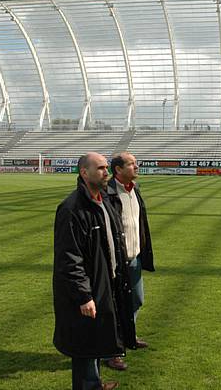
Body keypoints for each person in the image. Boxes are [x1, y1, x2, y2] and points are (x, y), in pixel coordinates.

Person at [53, 152, 137, 390]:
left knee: (97, 336)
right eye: (100, 168)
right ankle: (88, 385)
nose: (106, 172)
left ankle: (95, 383)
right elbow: (69, 258)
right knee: (84, 344)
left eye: (105, 168)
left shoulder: (105, 201)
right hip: (88, 289)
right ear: (84, 172)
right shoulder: (71, 209)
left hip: (105, 282)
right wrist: (83, 295)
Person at [104, 152, 155, 371]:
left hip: (134, 259)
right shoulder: (108, 194)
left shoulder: (135, 190)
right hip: (116, 263)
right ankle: (112, 351)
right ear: (118, 170)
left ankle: (128, 337)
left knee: (137, 300)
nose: (137, 167)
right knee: (115, 308)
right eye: (132, 164)